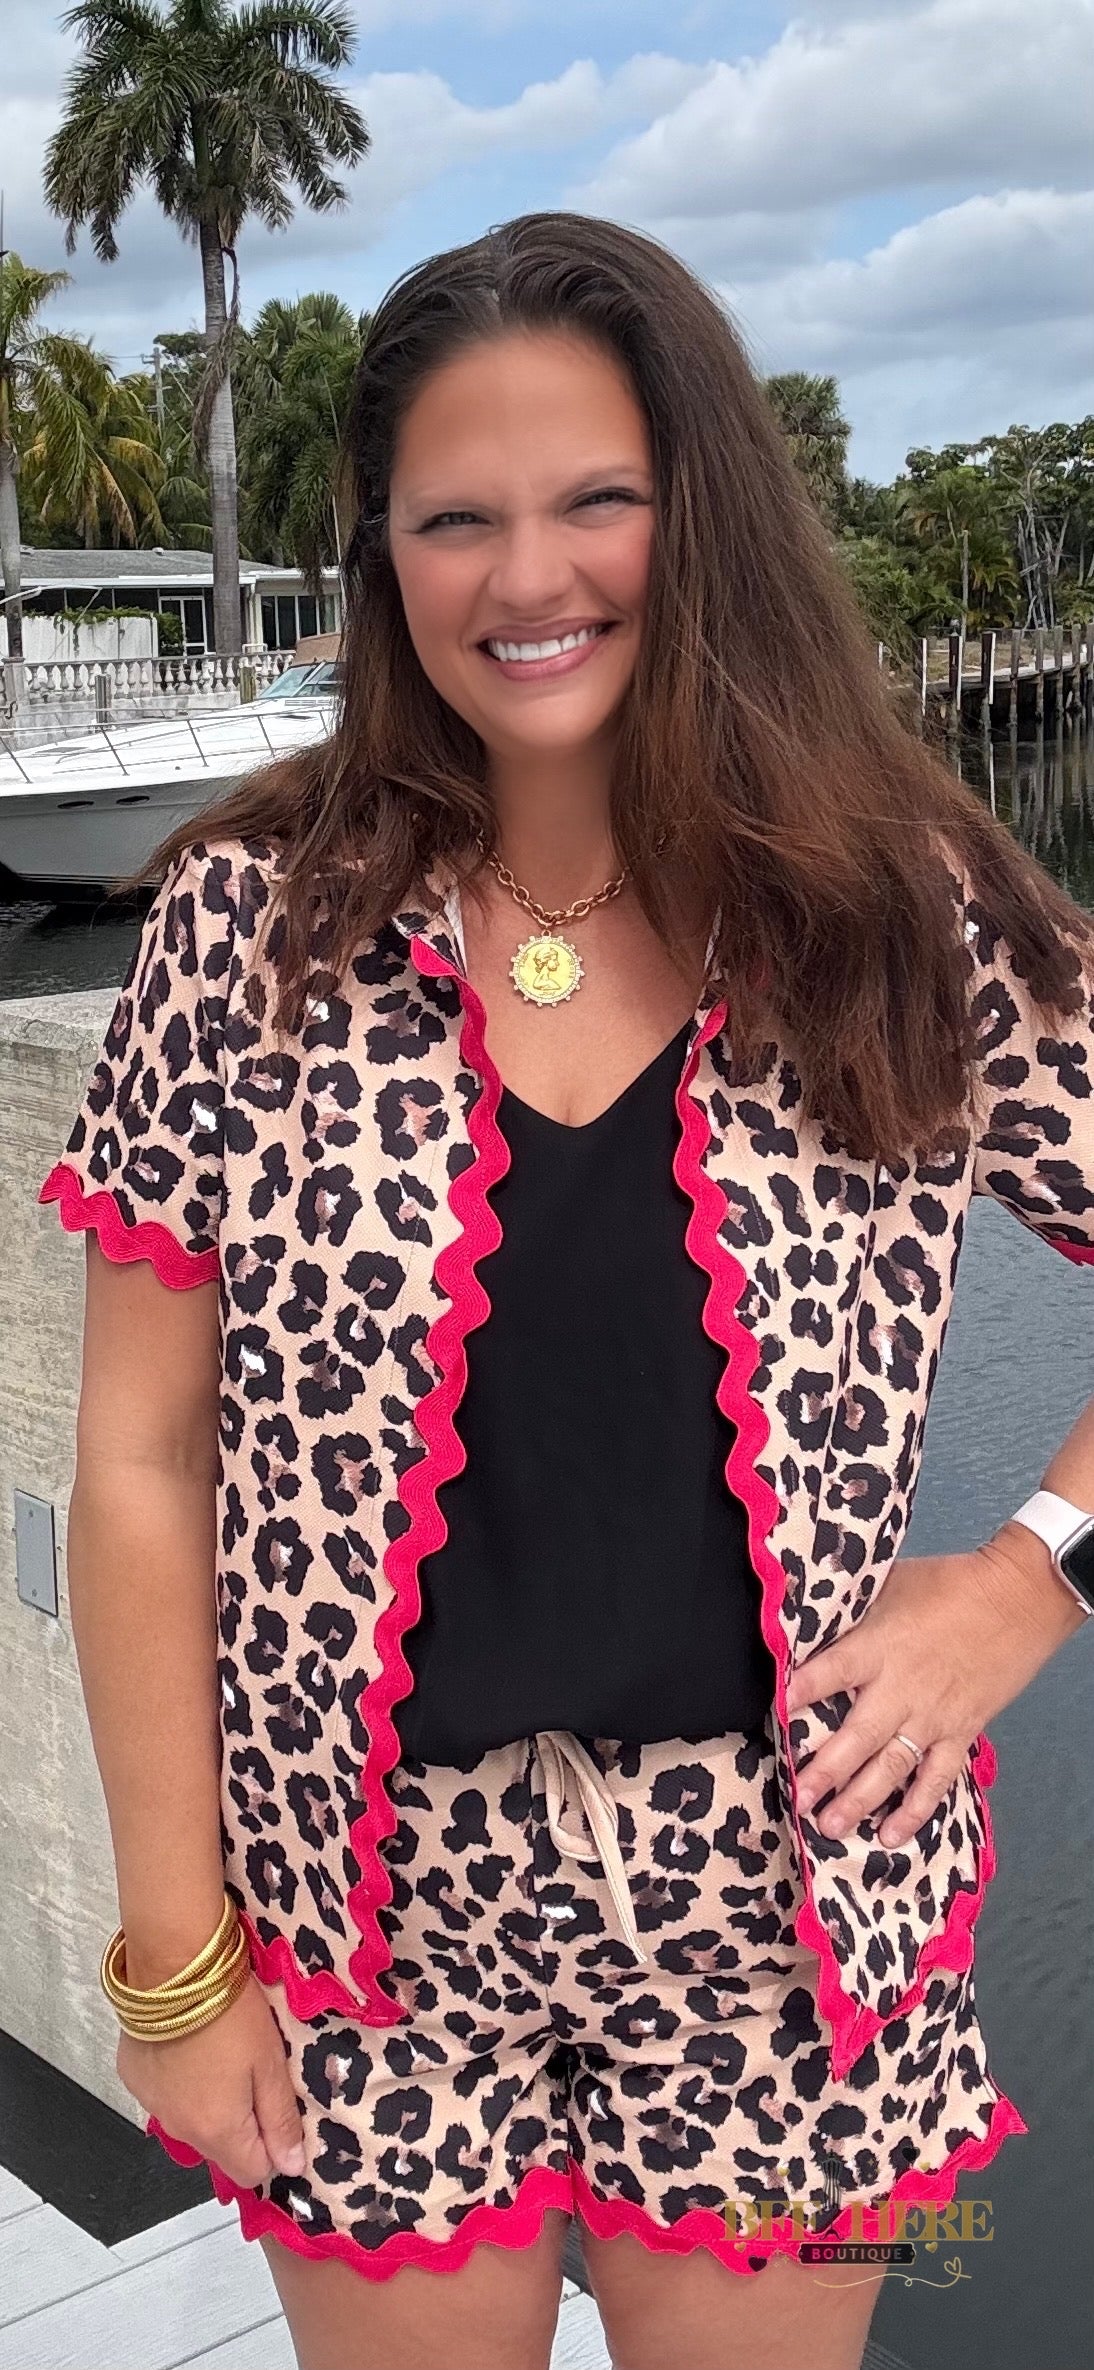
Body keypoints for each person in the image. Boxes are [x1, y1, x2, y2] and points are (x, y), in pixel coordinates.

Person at [38, 211, 1094, 2370]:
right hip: (357, 1923)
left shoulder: (891, 910)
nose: (528, 578)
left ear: (702, 516)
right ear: (380, 555)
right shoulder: (251, 929)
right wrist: (174, 1961)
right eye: (457, 518)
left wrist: (1031, 1574)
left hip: (781, 1914)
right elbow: (141, 1463)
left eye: (597, 498)